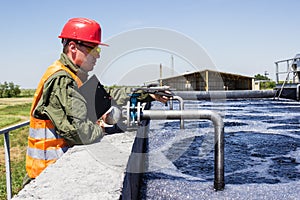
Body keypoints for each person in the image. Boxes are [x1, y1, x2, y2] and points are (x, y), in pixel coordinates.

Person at [23, 17, 169, 186]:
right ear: (72, 47)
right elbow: (79, 132)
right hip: (46, 175)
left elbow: (110, 95)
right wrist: (102, 128)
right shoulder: (62, 80)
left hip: (59, 170)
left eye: (98, 50)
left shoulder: (76, 76)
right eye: (93, 50)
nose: (97, 56)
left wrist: (146, 94)